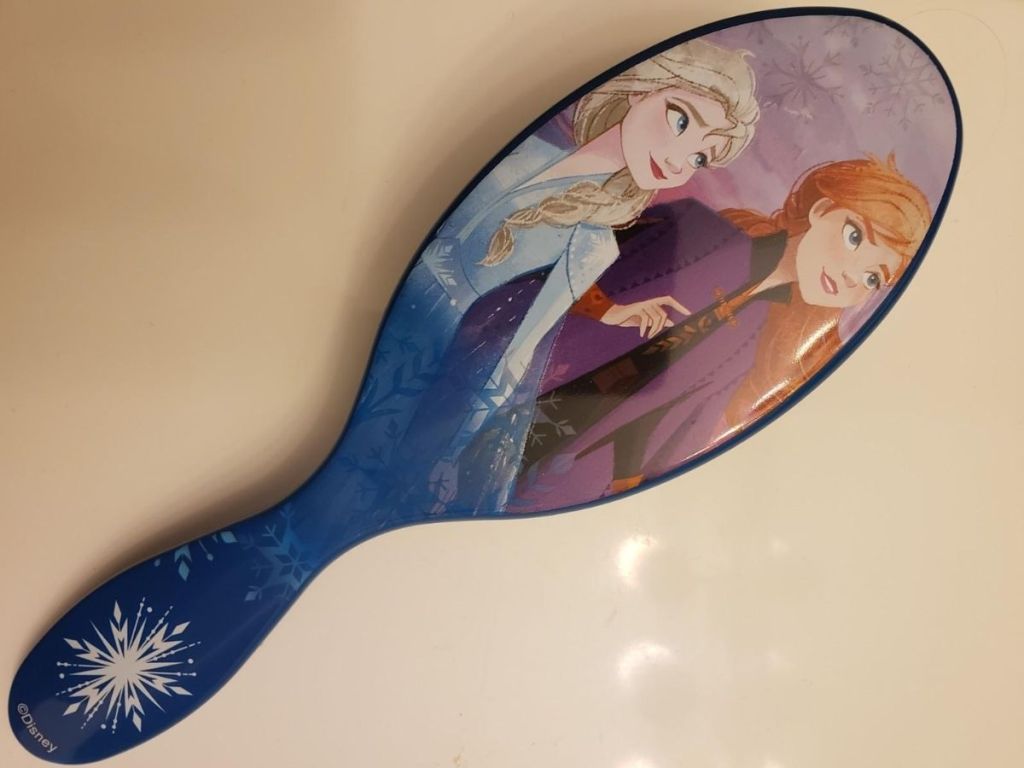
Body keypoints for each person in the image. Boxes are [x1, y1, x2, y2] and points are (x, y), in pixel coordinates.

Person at [334, 39, 760, 517]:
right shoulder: (516, 153)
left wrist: (451, 449)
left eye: (700, 158)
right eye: (680, 121)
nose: (680, 161)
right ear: (642, 89)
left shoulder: (592, 244)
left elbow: (512, 358)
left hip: (408, 383)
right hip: (352, 329)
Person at [509, 153, 932, 512]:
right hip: (519, 372)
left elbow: (673, 425)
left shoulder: (759, 342)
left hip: (564, 454)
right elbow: (569, 263)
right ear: (821, 210)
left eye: (874, 278)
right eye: (854, 236)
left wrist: (625, 487)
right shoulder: (697, 230)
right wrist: (608, 310)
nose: (850, 274)